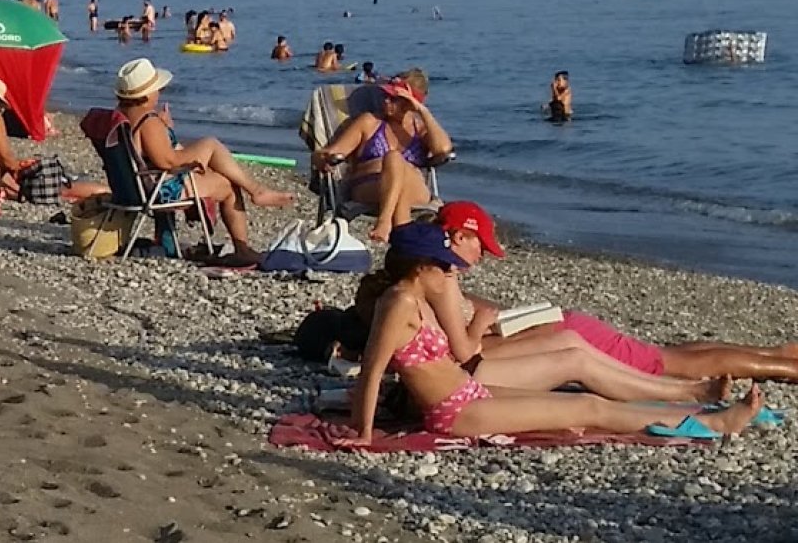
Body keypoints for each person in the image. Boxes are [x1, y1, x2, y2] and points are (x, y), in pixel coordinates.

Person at [333, 223, 761, 445]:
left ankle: (699, 409)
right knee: (587, 412)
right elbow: (371, 372)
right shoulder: (399, 304)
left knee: (588, 402)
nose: (451, 271)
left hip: (468, 395)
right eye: (443, 266)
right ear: (419, 267)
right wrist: (364, 432)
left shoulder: (416, 296)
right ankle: (716, 422)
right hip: (455, 413)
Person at [424, 201, 798, 382]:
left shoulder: (438, 279)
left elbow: (469, 346)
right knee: (660, 356)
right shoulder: (446, 278)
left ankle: (780, 367)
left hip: (558, 331)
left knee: (671, 365)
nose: (482, 255)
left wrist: (484, 326)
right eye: (480, 246)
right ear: (459, 236)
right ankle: (776, 353)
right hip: (556, 324)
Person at [114, 58, 294, 265]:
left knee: (209, 155)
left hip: (132, 186)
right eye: (157, 89)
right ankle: (243, 244)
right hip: (158, 189)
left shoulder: (123, 115)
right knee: (225, 179)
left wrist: (165, 131)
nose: (159, 93)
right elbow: (167, 161)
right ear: (145, 95)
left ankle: (255, 190)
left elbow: (150, 154)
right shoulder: (147, 120)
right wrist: (183, 144)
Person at [312, 71, 452, 241]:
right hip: (370, 186)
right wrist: (320, 157)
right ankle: (398, 233)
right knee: (393, 158)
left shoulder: (420, 128)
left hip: (412, 188)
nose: (386, 101)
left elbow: (443, 148)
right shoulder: (369, 122)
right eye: (385, 95)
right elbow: (331, 152)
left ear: (410, 103)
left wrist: (422, 110)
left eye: (394, 98)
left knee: (394, 160)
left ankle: (386, 223)